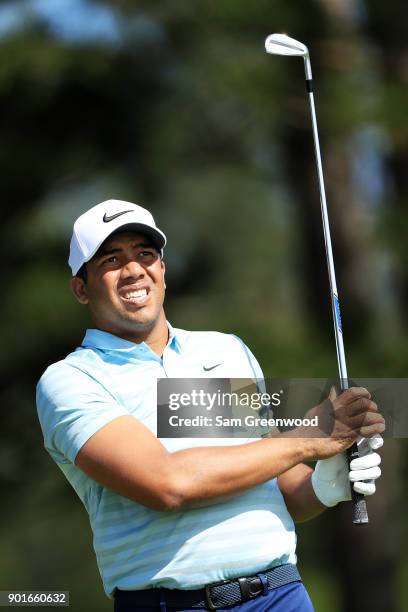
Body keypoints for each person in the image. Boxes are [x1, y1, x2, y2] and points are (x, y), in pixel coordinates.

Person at [36, 199, 384, 612]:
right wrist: (307, 439)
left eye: (144, 254)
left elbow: (278, 483)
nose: (133, 270)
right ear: (81, 287)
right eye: (111, 260)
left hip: (280, 595)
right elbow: (167, 484)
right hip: (169, 605)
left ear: (162, 270)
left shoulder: (225, 350)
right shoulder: (71, 380)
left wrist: (324, 485)